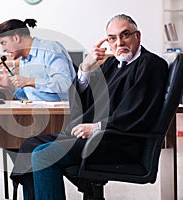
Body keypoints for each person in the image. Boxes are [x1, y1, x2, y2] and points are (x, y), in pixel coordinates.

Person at [10, 14, 169, 200]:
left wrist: (97, 127)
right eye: (112, 38)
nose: (119, 43)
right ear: (107, 42)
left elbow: (138, 112)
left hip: (119, 140)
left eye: (125, 35)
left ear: (138, 36)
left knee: (43, 155)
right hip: (99, 137)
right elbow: (85, 99)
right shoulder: (112, 63)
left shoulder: (150, 64)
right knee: (29, 145)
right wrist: (86, 67)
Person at [0, 18, 76, 101]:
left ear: (16, 38)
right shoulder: (24, 60)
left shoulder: (50, 49)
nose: (3, 49)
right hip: (38, 113)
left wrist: (30, 81)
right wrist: (10, 86)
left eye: (4, 43)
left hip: (62, 114)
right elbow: (31, 97)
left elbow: (64, 83)